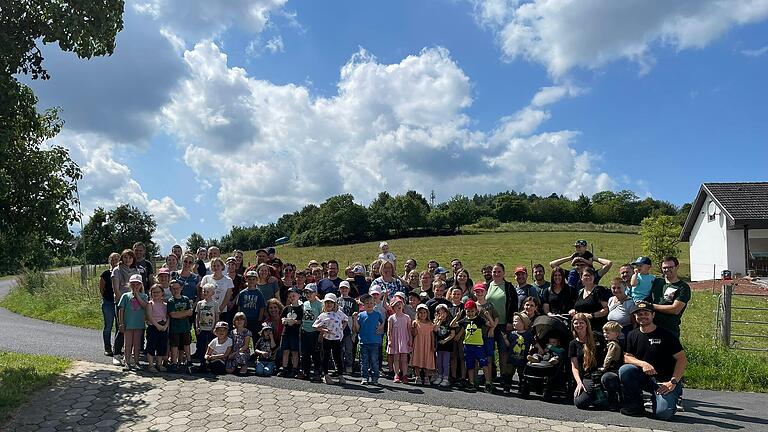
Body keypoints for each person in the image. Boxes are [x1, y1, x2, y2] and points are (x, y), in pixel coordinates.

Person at [619, 301, 687, 420]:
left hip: (664, 382)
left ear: (653, 315)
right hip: (645, 378)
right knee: (625, 370)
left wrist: (673, 382)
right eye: (639, 314)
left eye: (646, 313)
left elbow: (682, 359)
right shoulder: (632, 335)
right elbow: (626, 356)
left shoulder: (666, 335)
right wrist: (643, 363)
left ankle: (673, 394)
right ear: (635, 316)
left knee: (663, 414)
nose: (642, 316)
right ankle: (636, 404)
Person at [570, 313, 618, 410]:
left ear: (587, 324)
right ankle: (598, 396)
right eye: (576, 323)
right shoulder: (573, 344)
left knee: (609, 378)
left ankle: (613, 398)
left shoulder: (597, 336)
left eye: (581, 323)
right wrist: (579, 383)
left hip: (602, 372)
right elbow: (574, 367)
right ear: (573, 325)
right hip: (587, 376)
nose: (579, 325)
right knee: (580, 403)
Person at [453, 300, 492, 393]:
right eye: (468, 311)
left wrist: (488, 316)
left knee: (483, 364)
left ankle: (488, 382)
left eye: (472, 311)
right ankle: (471, 382)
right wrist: (457, 317)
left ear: (476, 311)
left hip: (479, 345)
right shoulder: (465, 320)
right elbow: (452, 325)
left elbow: (491, 324)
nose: (470, 313)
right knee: (469, 365)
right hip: (468, 345)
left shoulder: (479, 319)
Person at [486, 263, 518, 377]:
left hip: (503, 324)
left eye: (499, 272)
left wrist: (510, 321)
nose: (496, 274)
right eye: (494, 272)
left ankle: (504, 375)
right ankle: (491, 373)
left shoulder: (509, 287)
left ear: (504, 273)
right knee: (489, 351)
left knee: (503, 350)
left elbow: (514, 305)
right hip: (489, 324)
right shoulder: (487, 286)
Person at [111, 249, 140, 365]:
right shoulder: (117, 270)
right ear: (122, 258)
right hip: (121, 302)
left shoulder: (135, 270)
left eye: (130, 257)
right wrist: (122, 302)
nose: (128, 260)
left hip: (134, 302)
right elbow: (116, 289)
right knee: (121, 327)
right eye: (125, 257)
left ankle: (127, 355)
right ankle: (117, 354)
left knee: (131, 328)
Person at [650, 256, 691, 338]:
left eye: (670, 267)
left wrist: (651, 306)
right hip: (651, 327)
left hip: (669, 329)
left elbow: (675, 309)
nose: (667, 270)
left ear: (677, 267)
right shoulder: (656, 282)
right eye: (664, 268)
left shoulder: (682, 287)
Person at [313, 293, 349, 384]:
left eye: (331, 302)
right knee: (326, 357)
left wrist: (342, 328)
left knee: (338, 358)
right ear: (324, 304)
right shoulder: (323, 315)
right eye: (327, 302)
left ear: (335, 304)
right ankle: (326, 375)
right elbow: (315, 326)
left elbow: (346, 319)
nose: (329, 304)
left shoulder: (339, 313)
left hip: (337, 339)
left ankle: (340, 375)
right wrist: (323, 329)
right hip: (327, 339)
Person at [117, 274, 147, 370]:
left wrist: (137, 295)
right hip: (128, 324)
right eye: (132, 284)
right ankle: (127, 362)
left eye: (137, 284)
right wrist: (121, 323)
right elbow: (121, 310)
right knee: (127, 344)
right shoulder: (125, 296)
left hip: (138, 324)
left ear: (140, 285)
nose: (135, 286)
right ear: (129, 285)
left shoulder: (144, 296)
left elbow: (144, 306)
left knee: (137, 344)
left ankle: (136, 361)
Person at [353, 294, 385, 385]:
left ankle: (375, 378)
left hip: (375, 341)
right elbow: (358, 329)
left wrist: (380, 328)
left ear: (374, 303)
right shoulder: (361, 315)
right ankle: (365, 377)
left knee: (374, 361)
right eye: (367, 303)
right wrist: (355, 319)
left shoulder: (377, 314)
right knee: (364, 361)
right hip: (364, 342)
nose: (369, 305)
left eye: (371, 303)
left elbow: (383, 323)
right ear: (363, 305)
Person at [167, 279, 194, 374]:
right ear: (170, 290)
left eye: (177, 288)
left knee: (186, 344)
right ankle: (174, 362)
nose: (176, 290)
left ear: (181, 288)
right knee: (174, 346)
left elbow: (190, 313)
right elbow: (173, 314)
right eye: (173, 289)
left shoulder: (185, 299)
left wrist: (181, 314)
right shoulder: (171, 301)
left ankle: (188, 360)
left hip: (185, 327)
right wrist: (184, 313)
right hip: (175, 328)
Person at [503, 312, 532, 395]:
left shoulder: (528, 334)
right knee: (509, 373)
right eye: (513, 321)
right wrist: (505, 339)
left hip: (522, 359)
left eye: (516, 321)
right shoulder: (512, 334)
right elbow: (509, 345)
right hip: (511, 358)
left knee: (522, 374)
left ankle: (521, 388)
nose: (514, 323)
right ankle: (507, 386)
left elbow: (533, 342)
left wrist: (538, 348)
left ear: (523, 323)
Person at [299, 283, 322, 381]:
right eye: (306, 292)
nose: (308, 295)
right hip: (305, 331)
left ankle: (317, 372)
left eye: (310, 292)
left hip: (315, 332)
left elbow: (322, 318)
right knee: (305, 353)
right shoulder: (305, 304)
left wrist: (321, 333)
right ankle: (305, 371)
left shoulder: (320, 304)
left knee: (316, 353)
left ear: (315, 293)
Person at [279, 287, 303, 377]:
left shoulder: (301, 308)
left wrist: (295, 322)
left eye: (293, 296)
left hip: (295, 333)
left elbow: (302, 320)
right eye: (290, 296)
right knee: (285, 351)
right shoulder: (287, 308)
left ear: (298, 296)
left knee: (295, 352)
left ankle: (295, 369)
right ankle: (284, 368)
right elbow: (282, 317)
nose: (291, 298)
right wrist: (283, 320)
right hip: (286, 332)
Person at [387, 297, 412, 384]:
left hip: (404, 339)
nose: (398, 306)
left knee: (404, 359)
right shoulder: (391, 318)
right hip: (395, 340)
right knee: (396, 358)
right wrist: (390, 340)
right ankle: (396, 374)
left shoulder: (407, 317)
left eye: (400, 304)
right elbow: (389, 330)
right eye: (396, 305)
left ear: (403, 305)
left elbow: (409, 329)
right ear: (393, 308)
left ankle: (405, 374)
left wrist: (410, 339)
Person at [145, 284, 169, 373]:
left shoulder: (165, 305)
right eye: (153, 292)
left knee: (161, 346)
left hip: (163, 327)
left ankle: (159, 364)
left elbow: (168, 316)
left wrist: (165, 326)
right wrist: (157, 326)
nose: (155, 294)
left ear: (162, 293)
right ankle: (151, 365)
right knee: (151, 345)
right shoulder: (150, 304)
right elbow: (149, 316)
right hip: (153, 327)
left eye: (158, 292)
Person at [100, 252, 120, 356]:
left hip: (119, 302)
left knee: (119, 325)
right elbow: (102, 289)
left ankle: (117, 347)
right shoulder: (105, 274)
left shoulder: (121, 273)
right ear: (109, 261)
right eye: (112, 259)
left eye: (116, 259)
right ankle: (107, 347)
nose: (114, 261)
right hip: (108, 302)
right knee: (108, 325)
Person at [410, 304, 436, 385]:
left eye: (424, 312)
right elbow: (413, 334)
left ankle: (426, 377)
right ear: (417, 313)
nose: (423, 314)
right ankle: (418, 376)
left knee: (427, 359)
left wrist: (433, 345)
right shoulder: (415, 323)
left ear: (427, 313)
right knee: (417, 359)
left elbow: (432, 335)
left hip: (427, 344)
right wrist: (413, 328)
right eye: (420, 313)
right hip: (418, 344)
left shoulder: (430, 324)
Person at [237, 270, 267, 336]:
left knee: (254, 336)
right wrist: (240, 318)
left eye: (254, 279)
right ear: (246, 279)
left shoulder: (258, 293)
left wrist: (259, 319)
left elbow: (262, 307)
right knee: (244, 336)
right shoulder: (242, 293)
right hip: (244, 319)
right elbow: (239, 307)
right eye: (249, 279)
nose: (251, 281)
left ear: (257, 280)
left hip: (255, 319)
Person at [194, 284, 219, 363]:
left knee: (211, 346)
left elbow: (217, 316)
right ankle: (202, 362)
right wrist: (197, 326)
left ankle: (210, 361)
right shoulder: (200, 303)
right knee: (201, 345)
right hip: (202, 328)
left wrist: (215, 327)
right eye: (204, 291)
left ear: (212, 293)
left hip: (211, 328)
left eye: (208, 292)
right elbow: (197, 315)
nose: (205, 293)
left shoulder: (215, 304)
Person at [337, 281, 357, 374]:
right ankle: (339, 366)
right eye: (342, 288)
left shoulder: (352, 301)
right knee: (339, 348)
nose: (344, 290)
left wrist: (354, 328)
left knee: (348, 348)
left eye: (346, 288)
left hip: (348, 324)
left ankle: (349, 365)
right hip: (338, 325)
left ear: (349, 289)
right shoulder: (337, 300)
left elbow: (355, 315)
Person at [433, 304, 455, 387]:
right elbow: (435, 329)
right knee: (439, 362)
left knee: (445, 362)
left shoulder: (450, 322)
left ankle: (446, 378)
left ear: (447, 313)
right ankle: (439, 376)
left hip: (447, 346)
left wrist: (445, 340)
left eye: (443, 313)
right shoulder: (436, 322)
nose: (441, 315)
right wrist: (440, 321)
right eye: (439, 313)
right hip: (439, 346)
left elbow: (452, 334)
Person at [225, 256, 246, 324]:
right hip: (225, 303)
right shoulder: (223, 277)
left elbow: (241, 291)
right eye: (229, 264)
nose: (231, 266)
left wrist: (233, 302)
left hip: (236, 304)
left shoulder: (240, 278)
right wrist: (227, 302)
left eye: (233, 264)